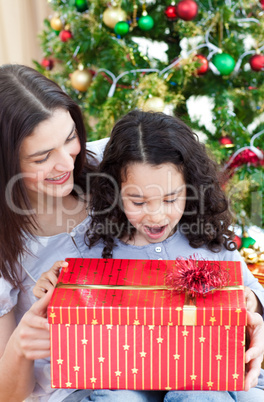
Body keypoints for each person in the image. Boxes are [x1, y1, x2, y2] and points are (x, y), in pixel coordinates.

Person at [0, 65, 160, 402]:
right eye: (43, 156)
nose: (66, 163)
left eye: (70, 137)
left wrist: (252, 303)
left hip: (157, 355)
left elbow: (205, 233)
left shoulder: (109, 162)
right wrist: (20, 346)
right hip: (77, 390)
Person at [83, 110, 264, 401]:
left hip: (204, 371)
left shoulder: (206, 241)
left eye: (170, 199)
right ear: (115, 193)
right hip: (130, 377)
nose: (156, 215)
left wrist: (251, 302)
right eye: (138, 201)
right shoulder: (102, 249)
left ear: (191, 190)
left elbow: (257, 293)